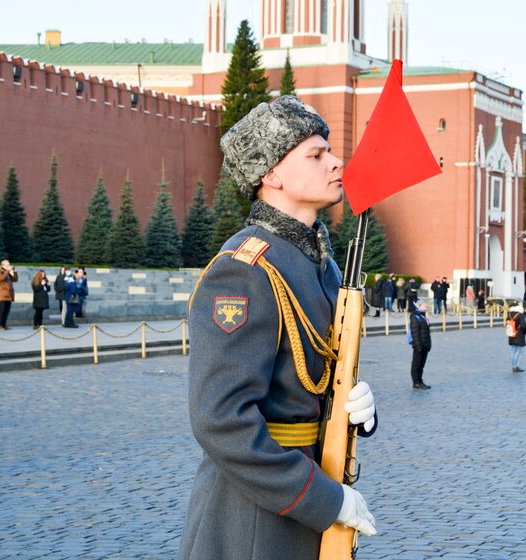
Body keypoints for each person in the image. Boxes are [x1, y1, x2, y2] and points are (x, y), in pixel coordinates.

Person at [177, 96, 378, 560]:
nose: (335, 162)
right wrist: (326, 501)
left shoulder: (321, 266)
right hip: (254, 522)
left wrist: (354, 410)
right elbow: (220, 420)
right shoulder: (245, 269)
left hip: (308, 500)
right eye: (316, 154)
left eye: (329, 151)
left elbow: (315, 379)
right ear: (272, 174)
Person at [408, 300, 432, 389]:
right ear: (418, 306)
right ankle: (416, 382)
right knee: (416, 364)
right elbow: (415, 332)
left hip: (425, 344)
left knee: (421, 364)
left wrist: (428, 344)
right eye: (424, 305)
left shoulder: (422, 316)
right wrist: (418, 345)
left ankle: (420, 381)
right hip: (419, 345)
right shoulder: (415, 317)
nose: (426, 306)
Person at [0, 259, 18, 330]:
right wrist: (7, 270)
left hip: (9, 295)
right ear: (3, 265)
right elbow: (2, 278)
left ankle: (4, 325)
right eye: (7, 265)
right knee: (1, 311)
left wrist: (15, 272)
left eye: (9, 265)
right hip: (3, 295)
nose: (9, 266)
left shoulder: (7, 273)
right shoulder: (1, 271)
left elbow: (15, 279)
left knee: (6, 311)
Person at [506, 303, 526, 372]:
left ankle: (513, 366)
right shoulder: (520, 315)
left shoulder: (509, 314)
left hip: (511, 334)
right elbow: (524, 326)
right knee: (519, 351)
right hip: (519, 335)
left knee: (513, 351)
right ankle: (516, 367)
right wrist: (524, 332)